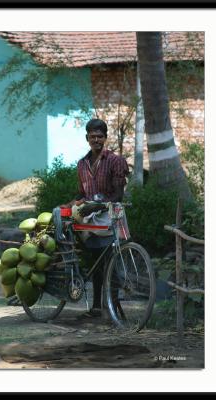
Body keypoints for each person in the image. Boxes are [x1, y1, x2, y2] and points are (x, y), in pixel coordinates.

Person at [60, 118, 129, 318]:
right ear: (87, 138)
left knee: (111, 262)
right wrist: (70, 204)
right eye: (93, 137)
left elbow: (119, 194)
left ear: (105, 138)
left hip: (109, 217)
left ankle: (115, 308)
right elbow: (82, 194)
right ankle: (98, 307)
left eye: (100, 136)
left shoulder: (116, 161)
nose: (96, 140)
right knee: (97, 263)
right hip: (90, 221)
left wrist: (99, 205)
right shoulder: (82, 164)